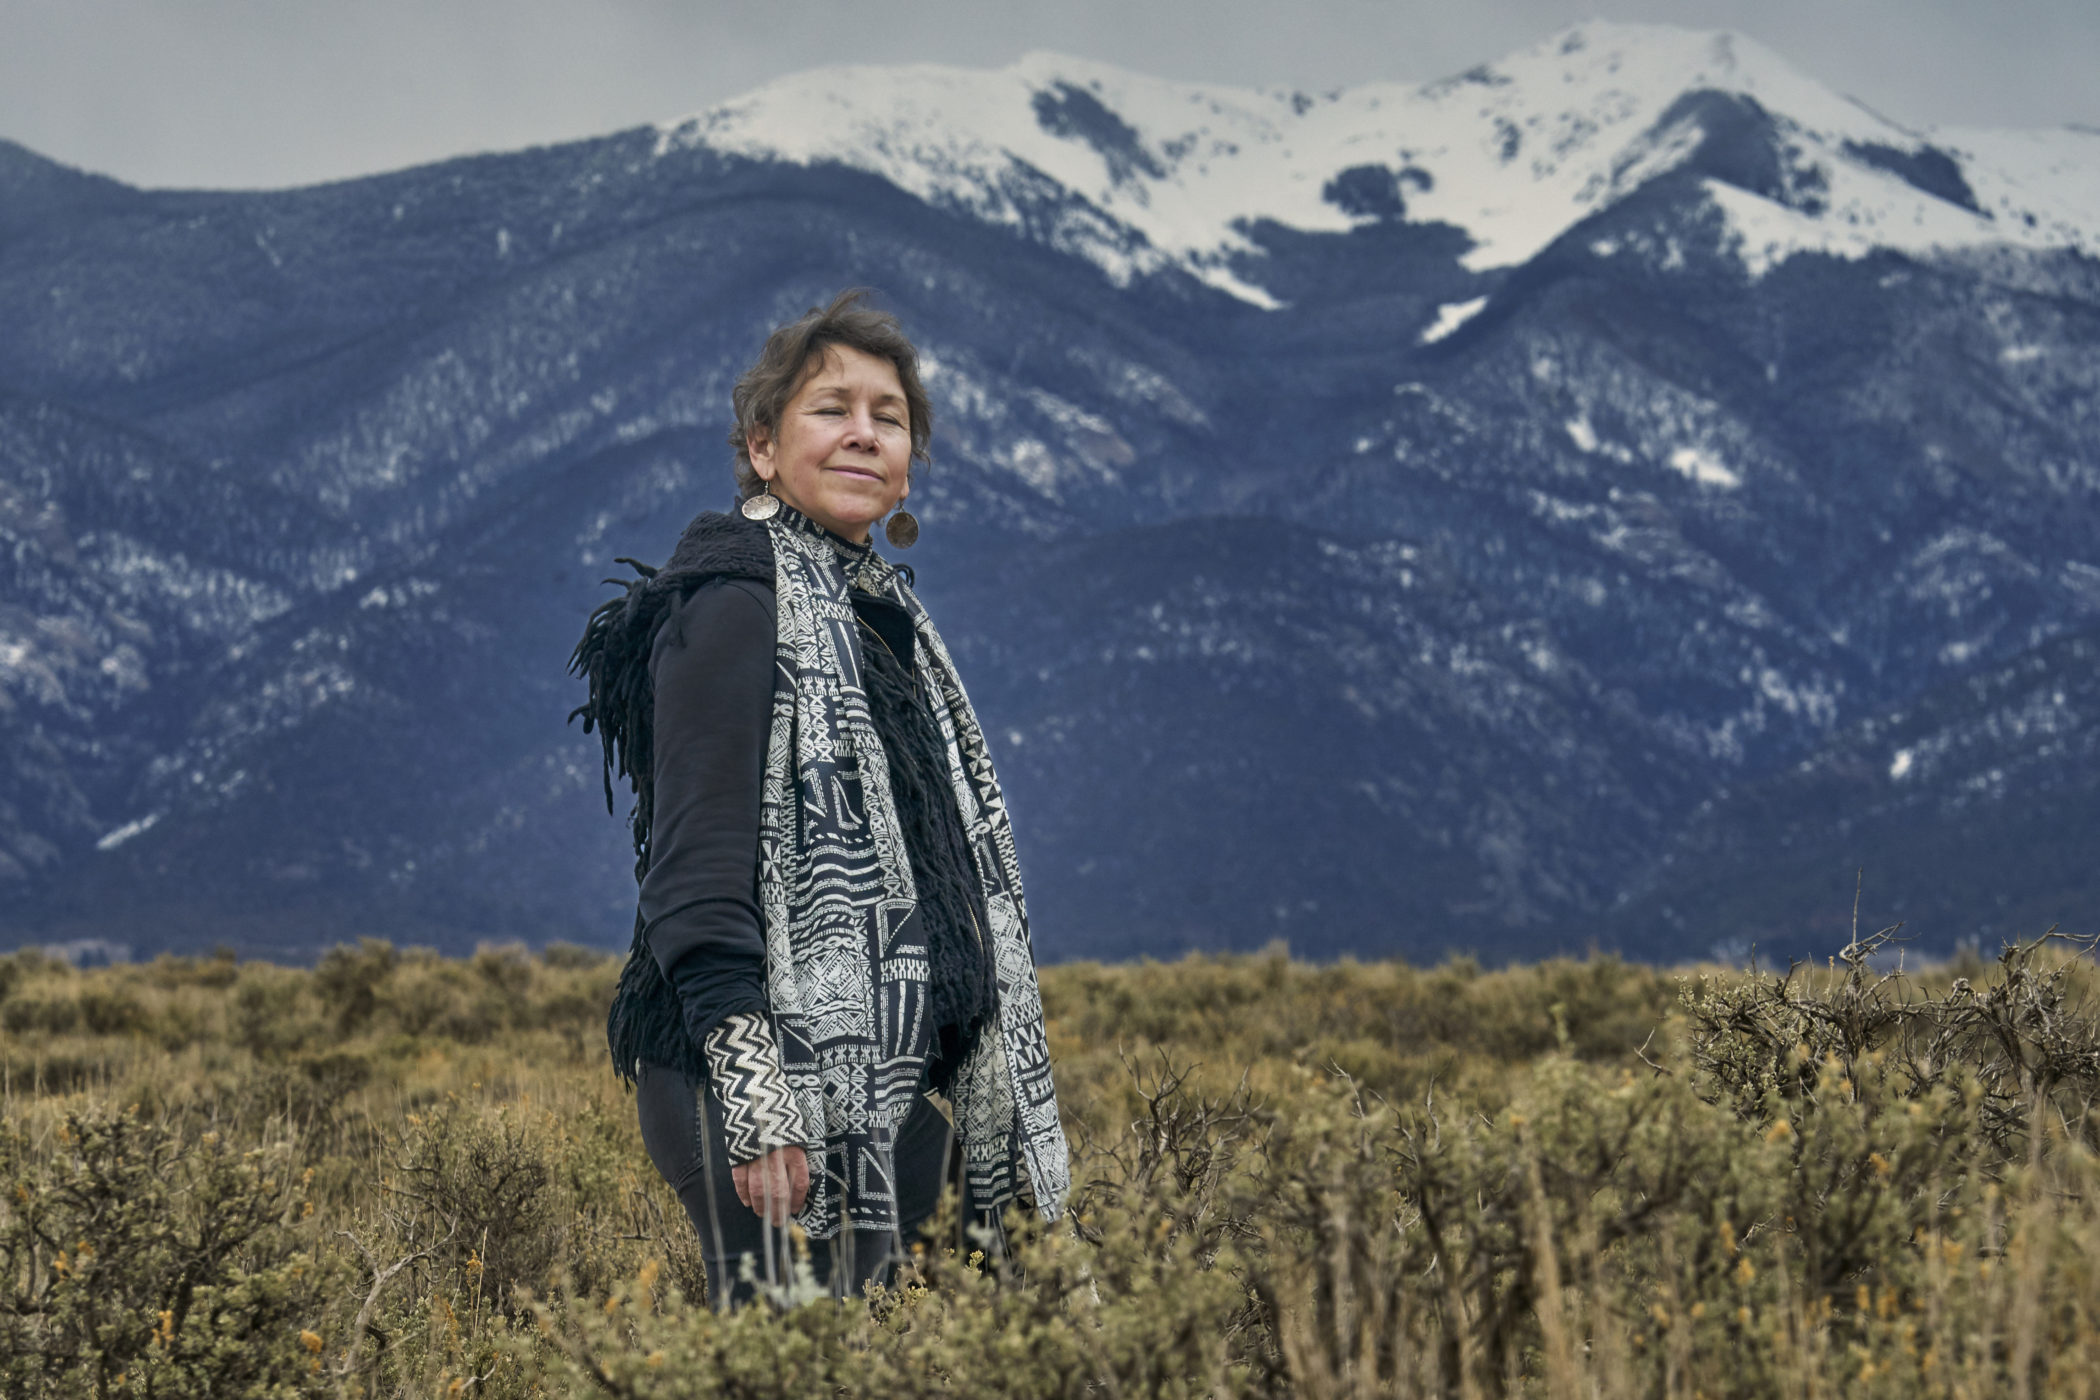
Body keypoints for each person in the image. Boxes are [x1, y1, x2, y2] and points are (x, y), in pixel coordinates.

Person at [570, 289, 1069, 1307]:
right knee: (781, 1360)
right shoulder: (732, 604)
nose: (864, 432)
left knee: (946, 1336)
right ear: (761, 448)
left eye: (889, 416)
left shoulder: (882, 621)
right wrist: (759, 1094)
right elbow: (693, 864)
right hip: (745, 1076)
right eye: (830, 407)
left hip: (879, 1089)